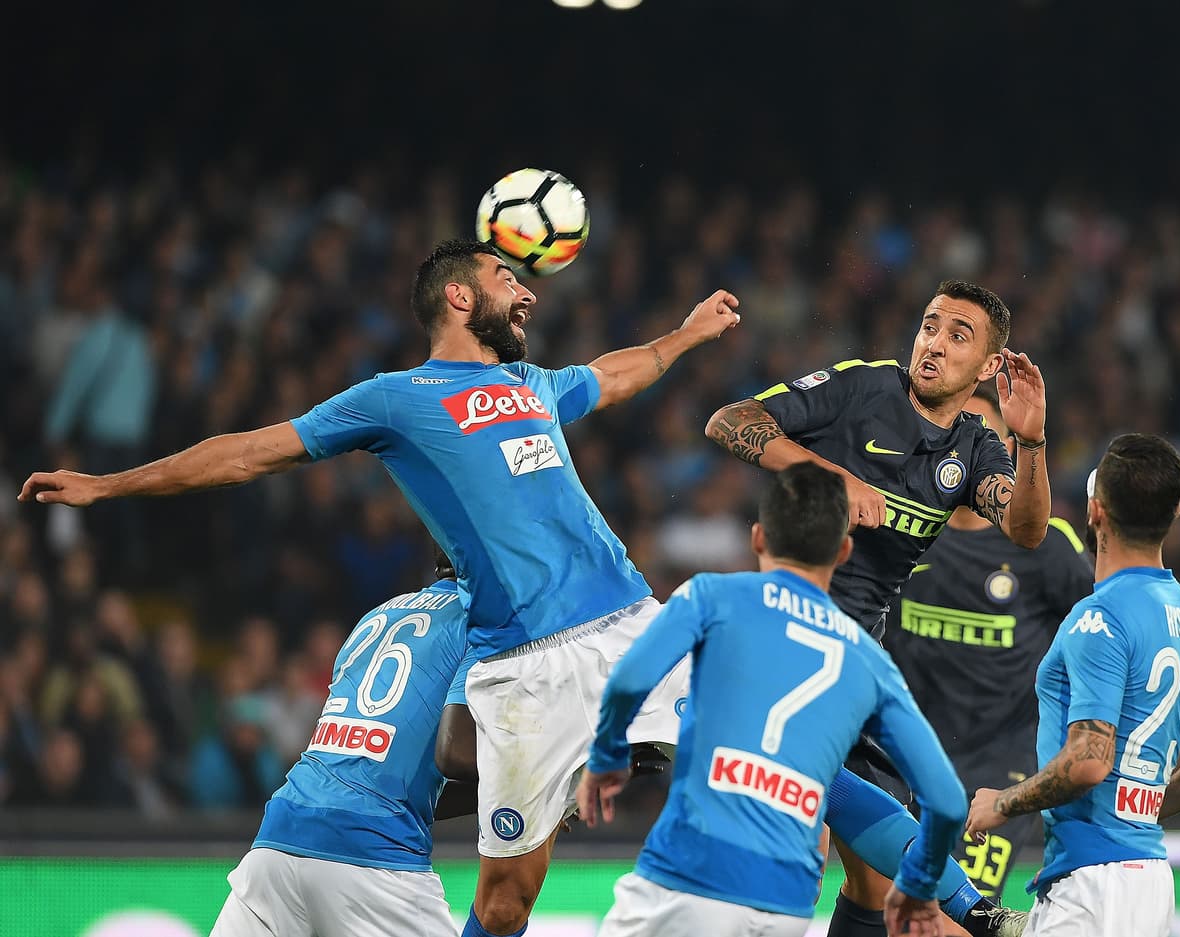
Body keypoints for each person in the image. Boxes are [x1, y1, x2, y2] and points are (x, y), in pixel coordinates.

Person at [20, 239, 740, 937]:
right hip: (509, 683)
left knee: (732, 732)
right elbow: (247, 454)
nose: (526, 290)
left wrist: (684, 335)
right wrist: (110, 484)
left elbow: (617, 372)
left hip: (611, 620)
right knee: (512, 900)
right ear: (458, 296)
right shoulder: (398, 398)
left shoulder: (533, 387)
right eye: (505, 276)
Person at [706, 279, 1050, 937]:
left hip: (860, 652)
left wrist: (1032, 445)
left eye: (958, 335)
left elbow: (1027, 528)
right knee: (797, 845)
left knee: (873, 881)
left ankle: (972, 909)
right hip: (787, 628)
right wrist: (831, 477)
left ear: (985, 368)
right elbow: (731, 420)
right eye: (929, 325)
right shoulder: (864, 387)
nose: (934, 344)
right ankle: (977, 910)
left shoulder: (977, 447)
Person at [576, 463, 967, 937]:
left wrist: (607, 756)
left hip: (690, 877)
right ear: (843, 551)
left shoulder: (712, 596)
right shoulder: (868, 660)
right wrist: (920, 881)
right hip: (786, 907)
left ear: (759, 537)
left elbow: (628, 680)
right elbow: (946, 801)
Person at [966, 434, 1180, 937]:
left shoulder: (1098, 619)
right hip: (1147, 883)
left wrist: (1002, 802)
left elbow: (1088, 761)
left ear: (1095, 512)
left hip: (1094, 889)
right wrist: (1143, 807)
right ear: (1175, 512)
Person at [883, 382, 1093, 902]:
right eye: (953, 434)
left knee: (965, 910)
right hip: (906, 757)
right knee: (898, 906)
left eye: (982, 438)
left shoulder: (1044, 543)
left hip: (1001, 765)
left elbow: (1095, 638)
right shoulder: (897, 528)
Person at [209, 555, 474, 937]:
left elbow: (369, 771)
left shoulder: (379, 615)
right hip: (373, 860)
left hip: (279, 837)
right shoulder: (488, 624)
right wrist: (542, 793)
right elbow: (457, 754)